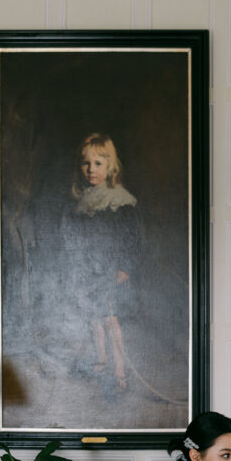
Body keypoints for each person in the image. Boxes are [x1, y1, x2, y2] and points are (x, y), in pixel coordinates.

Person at [62, 132, 142, 390]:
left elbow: (134, 238)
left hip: (112, 271)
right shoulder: (83, 201)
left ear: (110, 167)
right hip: (88, 269)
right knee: (94, 317)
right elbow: (76, 237)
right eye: (86, 163)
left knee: (110, 318)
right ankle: (102, 358)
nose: (91, 169)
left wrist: (124, 268)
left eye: (98, 163)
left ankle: (120, 370)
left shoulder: (120, 200)